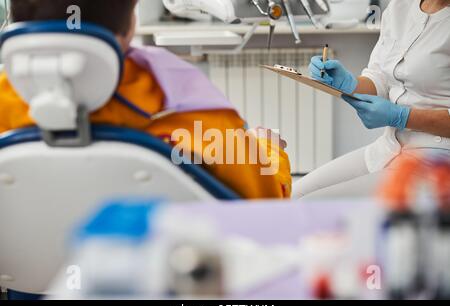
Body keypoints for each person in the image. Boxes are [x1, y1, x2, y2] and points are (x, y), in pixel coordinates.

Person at [0, 0, 292, 199]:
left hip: (34, 287)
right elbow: (266, 206)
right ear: (128, 26)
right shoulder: (190, 109)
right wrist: (268, 150)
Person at [293, 0, 450, 198]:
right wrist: (347, 83)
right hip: (389, 147)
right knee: (293, 195)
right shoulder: (400, 7)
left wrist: (402, 117)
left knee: (311, 205)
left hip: (437, 160)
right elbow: (380, 77)